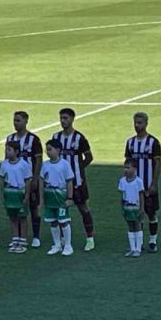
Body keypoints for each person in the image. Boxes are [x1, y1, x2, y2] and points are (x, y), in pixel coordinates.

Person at [52, 108, 95, 252]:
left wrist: (78, 169)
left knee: (83, 208)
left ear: (72, 119)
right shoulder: (56, 137)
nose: (63, 121)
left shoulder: (79, 138)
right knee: (60, 208)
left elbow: (89, 157)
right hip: (60, 181)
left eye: (66, 118)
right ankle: (63, 238)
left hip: (77, 181)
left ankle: (90, 239)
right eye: (61, 118)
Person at [124, 112, 161, 253]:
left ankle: (152, 241)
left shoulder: (153, 142)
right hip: (134, 186)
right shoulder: (130, 142)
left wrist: (154, 183)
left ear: (146, 124)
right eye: (135, 123)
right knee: (136, 214)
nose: (137, 125)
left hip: (148, 185)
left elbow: (157, 163)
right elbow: (127, 163)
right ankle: (138, 243)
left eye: (140, 123)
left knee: (151, 213)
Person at [6, 111, 43, 248]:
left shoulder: (34, 139)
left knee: (33, 207)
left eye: (18, 120)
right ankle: (18, 236)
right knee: (16, 208)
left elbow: (38, 160)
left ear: (26, 121)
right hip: (14, 181)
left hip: (29, 180)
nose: (16, 123)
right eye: (14, 120)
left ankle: (36, 236)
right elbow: (7, 159)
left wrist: (35, 178)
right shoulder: (10, 138)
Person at [40, 139, 75, 257]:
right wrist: (41, 198)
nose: (48, 152)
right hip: (50, 198)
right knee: (53, 221)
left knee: (63, 221)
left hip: (61, 198)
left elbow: (69, 181)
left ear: (58, 150)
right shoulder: (45, 165)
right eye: (47, 150)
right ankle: (57, 244)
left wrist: (70, 197)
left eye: (50, 149)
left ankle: (68, 246)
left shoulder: (64, 164)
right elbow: (41, 181)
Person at [0, 141, 32, 254]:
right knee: (12, 216)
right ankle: (15, 239)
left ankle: (23, 240)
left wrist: (27, 195)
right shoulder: (4, 164)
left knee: (22, 217)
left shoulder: (23, 165)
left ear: (16, 151)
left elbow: (27, 180)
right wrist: (3, 194)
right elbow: (3, 180)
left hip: (20, 194)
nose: (6, 152)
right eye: (6, 149)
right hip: (9, 194)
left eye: (9, 150)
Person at [118, 158, 145, 258]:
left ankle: (138, 249)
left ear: (134, 169)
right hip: (127, 207)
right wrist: (122, 208)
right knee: (130, 226)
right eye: (125, 168)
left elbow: (141, 195)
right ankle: (132, 248)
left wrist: (142, 208)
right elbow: (122, 196)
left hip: (135, 207)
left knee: (137, 225)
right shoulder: (122, 181)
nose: (126, 170)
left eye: (128, 168)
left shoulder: (138, 181)